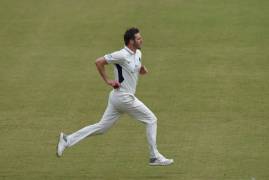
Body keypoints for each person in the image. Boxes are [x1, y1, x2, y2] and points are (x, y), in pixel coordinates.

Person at [57, 27, 174, 166]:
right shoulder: (121, 54)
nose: (141, 40)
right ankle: (154, 157)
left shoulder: (138, 53)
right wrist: (108, 80)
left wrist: (141, 69)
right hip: (124, 98)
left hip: (117, 99)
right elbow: (99, 62)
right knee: (151, 120)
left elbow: (134, 65)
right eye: (138, 38)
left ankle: (67, 139)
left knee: (102, 128)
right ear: (131, 41)